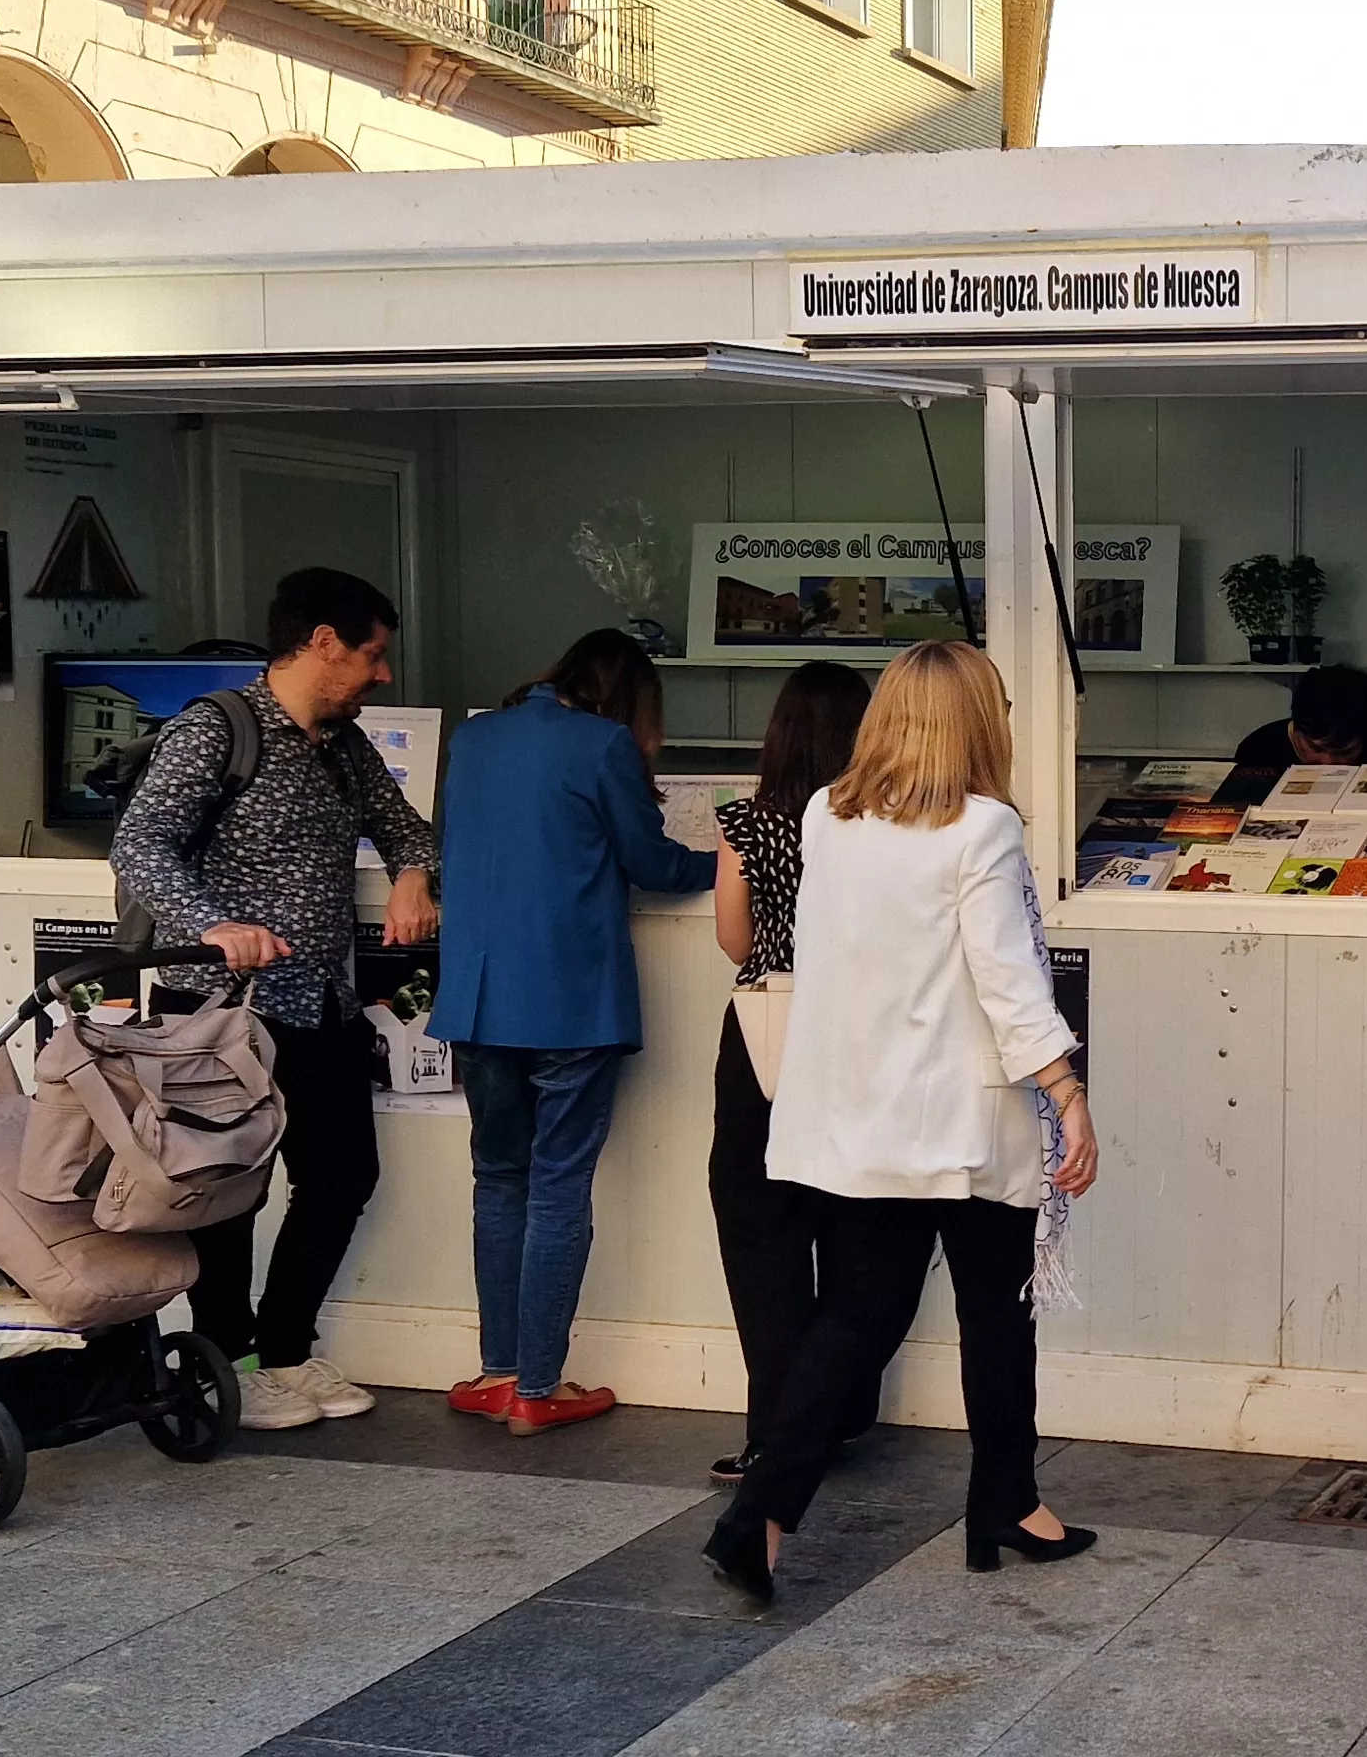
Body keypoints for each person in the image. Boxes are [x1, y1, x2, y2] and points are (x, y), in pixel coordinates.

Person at [704, 640, 1098, 1602]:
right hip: (967, 1119)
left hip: (863, 1116)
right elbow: (1005, 980)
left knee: (855, 1317)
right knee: (997, 1316)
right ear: (976, 721)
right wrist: (1067, 1091)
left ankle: (759, 1513)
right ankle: (1006, 1502)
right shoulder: (985, 828)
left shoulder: (829, 818)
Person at [109, 567, 441, 1432]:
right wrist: (213, 922)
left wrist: (412, 876)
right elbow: (139, 844)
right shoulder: (217, 730)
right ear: (323, 642)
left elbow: (408, 827)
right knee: (226, 1196)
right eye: (372, 655)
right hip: (222, 1013)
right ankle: (232, 1360)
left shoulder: (341, 743)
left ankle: (287, 1350)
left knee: (341, 1177)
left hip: (322, 1004)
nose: (382, 674)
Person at [430, 630, 717, 1437]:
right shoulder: (605, 745)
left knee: (498, 1180)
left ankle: (497, 1373)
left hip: (480, 1002)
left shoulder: (477, 736)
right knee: (557, 1185)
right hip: (569, 1002)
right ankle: (541, 1388)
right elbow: (653, 866)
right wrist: (725, 864)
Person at [707, 660, 878, 1485]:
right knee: (856, 1223)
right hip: (862, 1035)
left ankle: (776, 1428)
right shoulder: (879, 824)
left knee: (759, 1228)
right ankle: (841, 1410)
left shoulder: (750, 821)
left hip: (766, 1034)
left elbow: (734, 941)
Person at [1232, 663, 1367, 769]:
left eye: (1345, 753)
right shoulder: (1257, 749)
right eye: (1315, 748)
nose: (1328, 764)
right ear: (1296, 729)